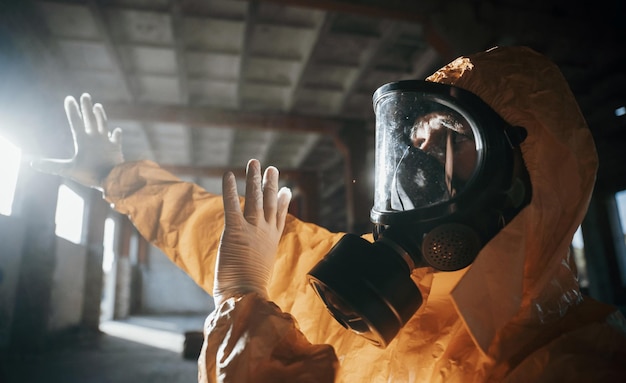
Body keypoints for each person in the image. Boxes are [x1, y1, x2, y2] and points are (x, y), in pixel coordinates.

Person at [33, 46, 626, 382]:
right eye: (414, 142)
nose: (420, 163)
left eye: (451, 137)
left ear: (521, 178)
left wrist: (242, 302)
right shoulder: (396, 292)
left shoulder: (574, 367)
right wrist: (118, 178)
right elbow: (218, 229)